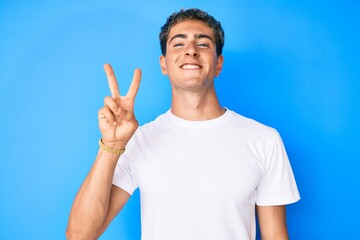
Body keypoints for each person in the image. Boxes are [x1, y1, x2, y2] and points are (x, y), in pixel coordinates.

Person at [66, 8, 300, 240]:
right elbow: (80, 235)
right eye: (178, 44)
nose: (190, 51)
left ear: (218, 64)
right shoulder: (139, 141)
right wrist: (112, 143)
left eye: (203, 44)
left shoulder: (264, 140)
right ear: (164, 64)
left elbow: (275, 235)